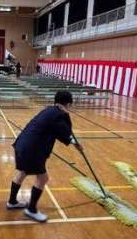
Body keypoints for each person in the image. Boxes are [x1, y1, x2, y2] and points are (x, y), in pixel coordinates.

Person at [6, 90, 83, 222]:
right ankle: (31, 210)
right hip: (32, 150)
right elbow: (65, 132)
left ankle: (12, 202)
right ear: (69, 104)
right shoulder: (59, 115)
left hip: (22, 145)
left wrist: (73, 141)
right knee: (43, 178)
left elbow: (59, 132)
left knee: (22, 172)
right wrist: (75, 142)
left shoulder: (49, 110)